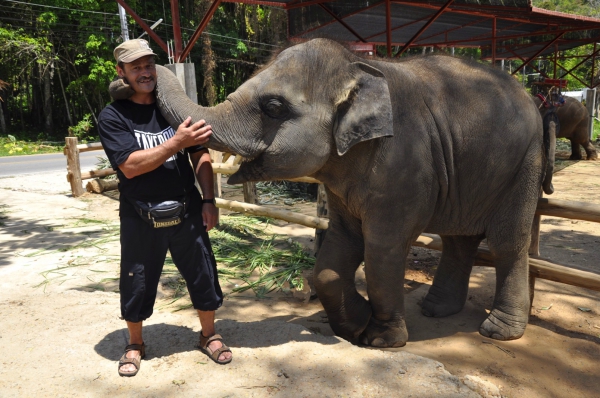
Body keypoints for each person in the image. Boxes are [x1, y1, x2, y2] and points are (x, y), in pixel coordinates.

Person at [97, 39, 232, 377]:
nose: (144, 72)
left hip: (187, 209)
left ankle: (208, 334)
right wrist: (174, 142)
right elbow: (129, 165)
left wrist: (209, 199)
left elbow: (200, 154)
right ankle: (135, 344)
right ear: (122, 72)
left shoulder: (172, 108)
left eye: (148, 65)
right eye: (135, 67)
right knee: (137, 280)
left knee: (203, 273)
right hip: (139, 214)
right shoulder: (113, 116)